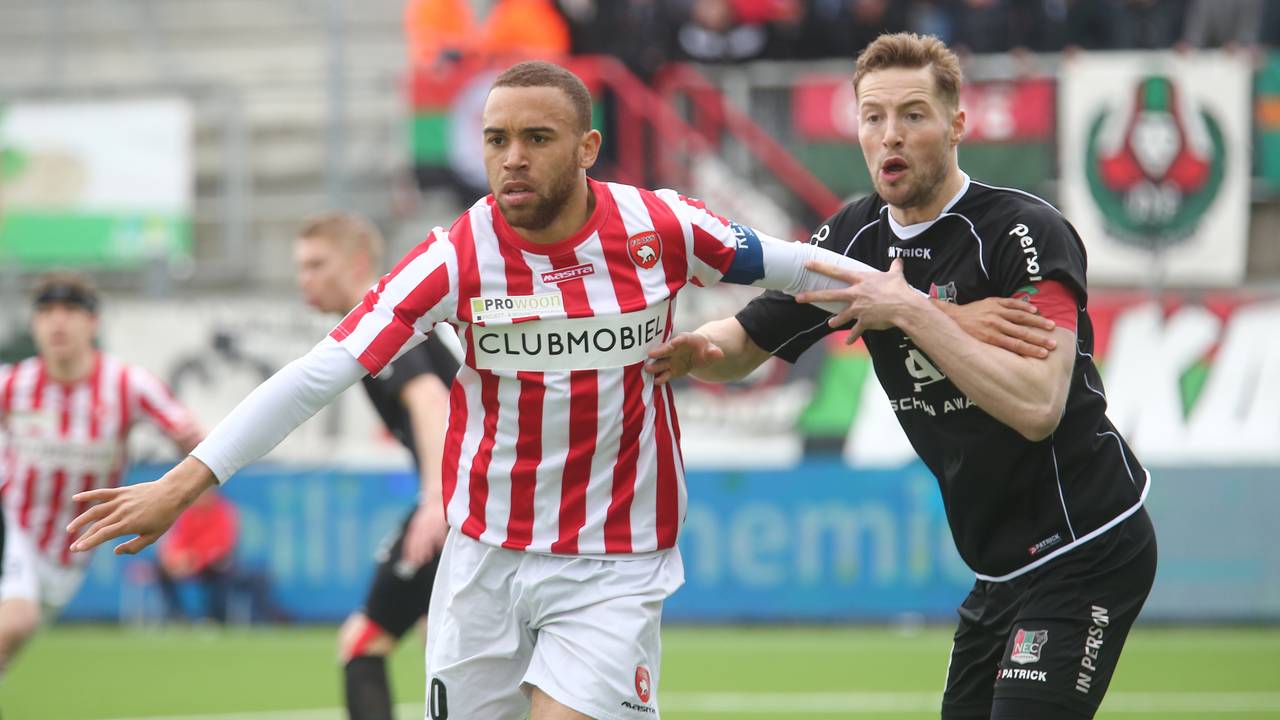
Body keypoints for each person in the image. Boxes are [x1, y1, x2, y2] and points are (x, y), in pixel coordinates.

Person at [68, 59, 1042, 719]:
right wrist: (185, 482)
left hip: (614, 563)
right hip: (484, 553)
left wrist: (942, 317)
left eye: (536, 138)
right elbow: (326, 369)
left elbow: (805, 268)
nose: (509, 159)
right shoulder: (454, 257)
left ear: (584, 148)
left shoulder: (658, 227)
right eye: (495, 139)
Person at [648, 33, 1158, 720]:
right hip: (997, 567)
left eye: (913, 115)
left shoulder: (1023, 231)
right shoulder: (855, 238)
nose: (891, 135)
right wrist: (692, 349)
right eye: (873, 116)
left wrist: (912, 311)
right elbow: (745, 340)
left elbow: (1038, 405)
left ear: (956, 126)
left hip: (1087, 543)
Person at [294, 211, 459, 720]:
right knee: (454, 651)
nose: (306, 279)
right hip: (481, 498)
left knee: (363, 642)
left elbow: (431, 399)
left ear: (358, 262)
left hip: (459, 500)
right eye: (301, 267)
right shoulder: (395, 318)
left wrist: (436, 500)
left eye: (318, 264)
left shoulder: (380, 322)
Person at [0, 272, 202, 682]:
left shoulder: (128, 384)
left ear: (92, 322)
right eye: (46, 311)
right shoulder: (13, 383)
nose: (58, 322)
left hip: (67, 550)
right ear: (34, 323)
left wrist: (193, 444)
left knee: (11, 641)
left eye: (70, 310)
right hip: (12, 525)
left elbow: (193, 436)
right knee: (15, 621)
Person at [154, 487, 238, 623]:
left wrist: (196, 559)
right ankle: (177, 615)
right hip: (189, 561)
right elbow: (178, 539)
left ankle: (214, 617)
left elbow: (222, 544)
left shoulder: (224, 511)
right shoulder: (188, 512)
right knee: (161, 570)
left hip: (210, 563)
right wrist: (177, 557)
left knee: (221, 569)